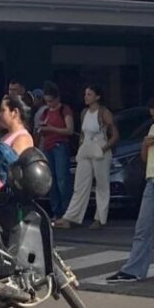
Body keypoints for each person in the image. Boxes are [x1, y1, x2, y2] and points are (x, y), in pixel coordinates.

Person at [55, 85, 119, 230]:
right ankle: (71, 217)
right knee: (80, 184)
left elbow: (115, 135)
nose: (86, 97)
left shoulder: (104, 112)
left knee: (102, 185)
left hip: (100, 147)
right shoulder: (84, 112)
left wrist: (103, 149)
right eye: (85, 94)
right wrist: (80, 148)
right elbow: (83, 134)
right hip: (86, 148)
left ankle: (100, 218)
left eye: (89, 94)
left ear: (97, 97)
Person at [107, 98, 154, 282]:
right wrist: (145, 144)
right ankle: (133, 269)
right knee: (143, 227)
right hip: (151, 180)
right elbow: (144, 158)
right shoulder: (151, 128)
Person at [38, 82, 74, 219]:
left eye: (51, 101)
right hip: (48, 146)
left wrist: (52, 129)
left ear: (57, 98)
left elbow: (69, 130)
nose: (49, 104)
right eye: (47, 101)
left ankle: (66, 210)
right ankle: (56, 211)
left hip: (60, 145)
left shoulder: (64, 110)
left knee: (62, 180)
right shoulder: (46, 112)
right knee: (51, 180)